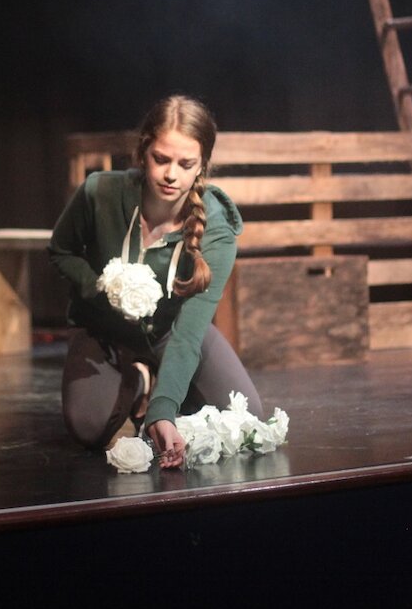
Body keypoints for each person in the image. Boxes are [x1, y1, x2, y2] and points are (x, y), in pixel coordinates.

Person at [49, 95, 263, 469]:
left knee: (245, 417)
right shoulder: (100, 192)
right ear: (143, 152)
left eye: (186, 164)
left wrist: (161, 412)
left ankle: (165, 389)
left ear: (202, 165)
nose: (171, 175)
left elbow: (188, 333)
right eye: (161, 159)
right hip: (104, 328)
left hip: (171, 330)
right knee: (87, 427)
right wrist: (101, 288)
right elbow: (61, 250)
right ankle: (138, 382)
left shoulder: (217, 227)